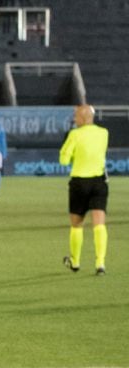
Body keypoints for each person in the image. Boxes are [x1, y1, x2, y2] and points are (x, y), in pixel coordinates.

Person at [60, 104, 110, 275]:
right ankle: (100, 263)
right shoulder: (104, 133)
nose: (74, 119)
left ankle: (75, 261)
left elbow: (64, 160)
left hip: (79, 183)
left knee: (77, 225)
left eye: (76, 116)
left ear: (83, 118)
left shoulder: (75, 134)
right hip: (99, 181)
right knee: (99, 223)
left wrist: (72, 154)